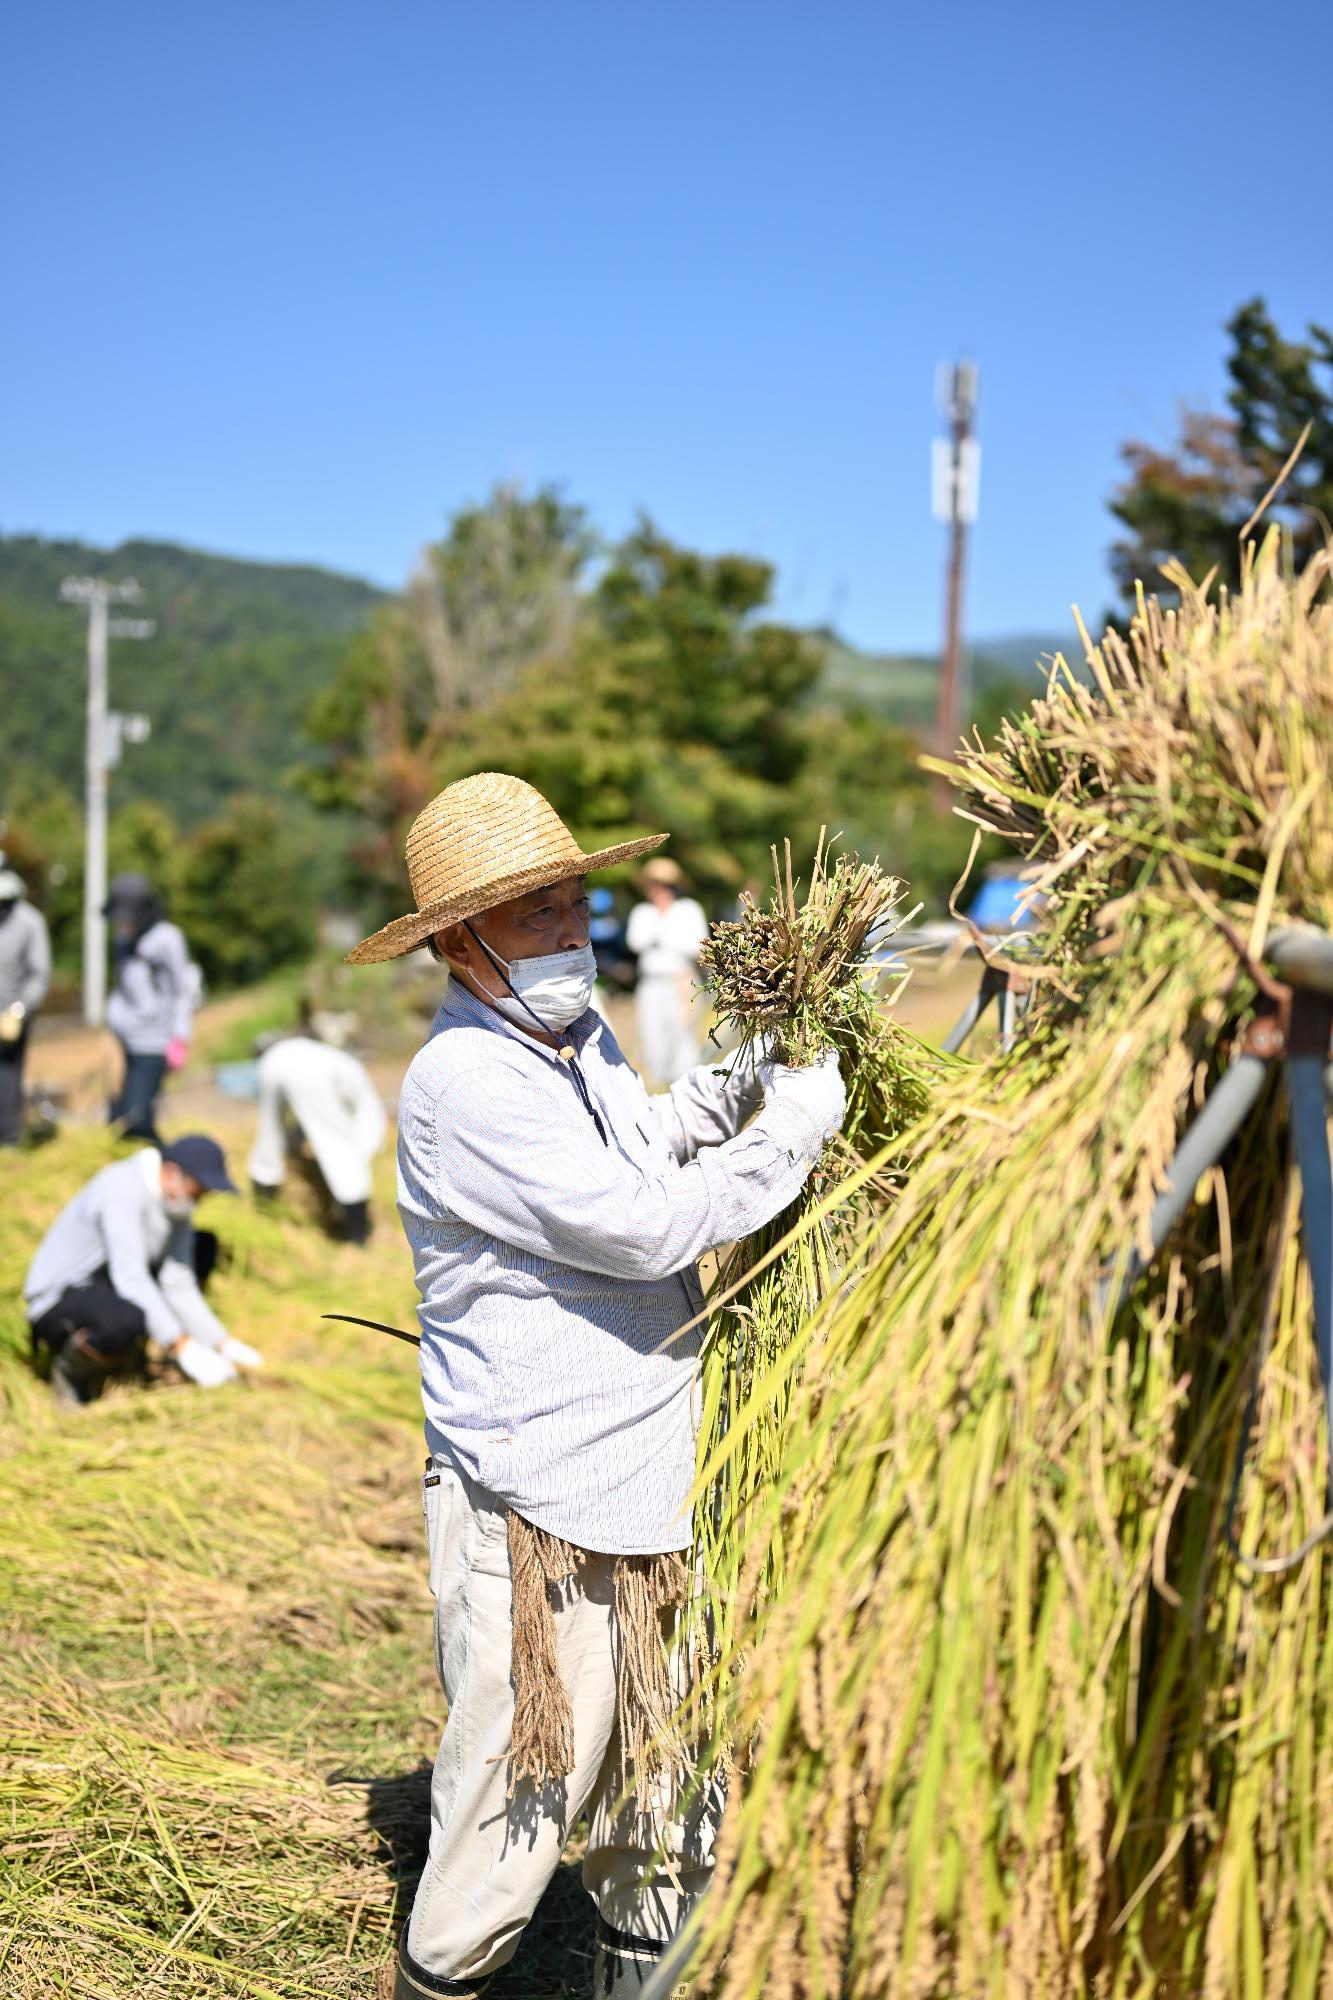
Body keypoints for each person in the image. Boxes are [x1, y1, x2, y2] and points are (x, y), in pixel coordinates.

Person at [346, 771, 845, 2000]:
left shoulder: (575, 1036)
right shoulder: (464, 1084)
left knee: (665, 1794)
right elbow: (639, 1225)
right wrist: (792, 1138)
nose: (571, 927)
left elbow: (649, 1136)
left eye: (576, 898)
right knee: (515, 1809)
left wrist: (757, 1076)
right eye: (535, 914)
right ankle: (443, 1972)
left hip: (652, 1474)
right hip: (542, 1500)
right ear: (460, 943)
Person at [24, 1133, 263, 1406]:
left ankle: (128, 1356)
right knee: (125, 1320)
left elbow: (177, 1281)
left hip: (107, 1286)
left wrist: (220, 1342)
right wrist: (181, 1345)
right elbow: (130, 1276)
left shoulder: (177, 1205)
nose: (201, 1199)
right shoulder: (121, 1189)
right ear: (173, 1173)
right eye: (199, 1190)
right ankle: (71, 1374)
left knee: (204, 1245)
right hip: (59, 1299)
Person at [247, 1013, 387, 1242]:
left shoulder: (339, 1064)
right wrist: (354, 1172)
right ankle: (358, 1236)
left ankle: (264, 1208)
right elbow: (360, 1134)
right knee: (336, 1146)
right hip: (304, 1070)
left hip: (273, 1061)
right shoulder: (351, 1075)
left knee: (269, 1135)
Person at [104, 873, 197, 1143]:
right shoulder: (121, 940)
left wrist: (180, 1036)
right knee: (117, 1116)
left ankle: (158, 1162)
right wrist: (113, 1023)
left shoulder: (168, 939)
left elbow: (181, 990)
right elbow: (123, 987)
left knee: (139, 1118)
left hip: (153, 1042)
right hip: (124, 1039)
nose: (123, 923)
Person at [625, 857, 709, 1084]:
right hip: (651, 983)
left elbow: (698, 945)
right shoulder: (642, 912)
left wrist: (663, 938)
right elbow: (635, 941)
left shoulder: (688, 910)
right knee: (652, 1034)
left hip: (680, 981)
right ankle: (657, 1081)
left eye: (661, 884)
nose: (657, 890)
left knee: (683, 1034)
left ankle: (685, 1082)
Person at [0, 867, 51, 1146]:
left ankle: (8, 1138)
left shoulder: (31, 923)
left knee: (6, 1079)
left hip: (11, 1019)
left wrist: (17, 1010)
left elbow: (39, 974)